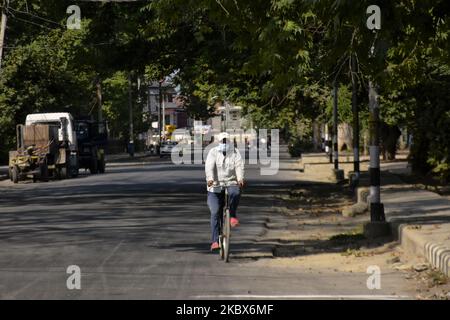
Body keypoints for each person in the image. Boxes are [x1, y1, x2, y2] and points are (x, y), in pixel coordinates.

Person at [205, 132, 245, 251]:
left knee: (235, 193)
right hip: (215, 185)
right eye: (222, 141)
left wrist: (240, 178)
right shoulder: (213, 152)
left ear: (229, 142)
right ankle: (214, 241)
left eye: (226, 141)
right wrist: (210, 179)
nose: (224, 143)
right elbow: (209, 167)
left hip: (230, 182)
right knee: (215, 211)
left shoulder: (235, 152)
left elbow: (239, 166)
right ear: (218, 142)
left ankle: (232, 215)